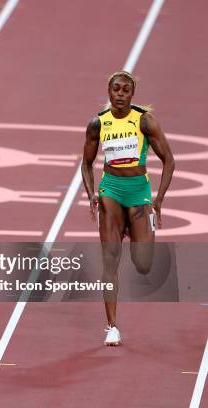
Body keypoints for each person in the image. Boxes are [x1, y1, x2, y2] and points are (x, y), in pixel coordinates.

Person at [81, 71, 174, 346]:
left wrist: (158, 200)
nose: (120, 95)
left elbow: (169, 160)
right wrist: (91, 195)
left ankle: (137, 230)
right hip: (110, 190)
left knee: (143, 265)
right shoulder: (98, 123)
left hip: (138, 192)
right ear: (108, 92)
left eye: (125, 91)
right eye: (116, 90)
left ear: (132, 95)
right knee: (110, 260)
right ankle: (111, 326)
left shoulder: (144, 121)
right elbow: (86, 163)